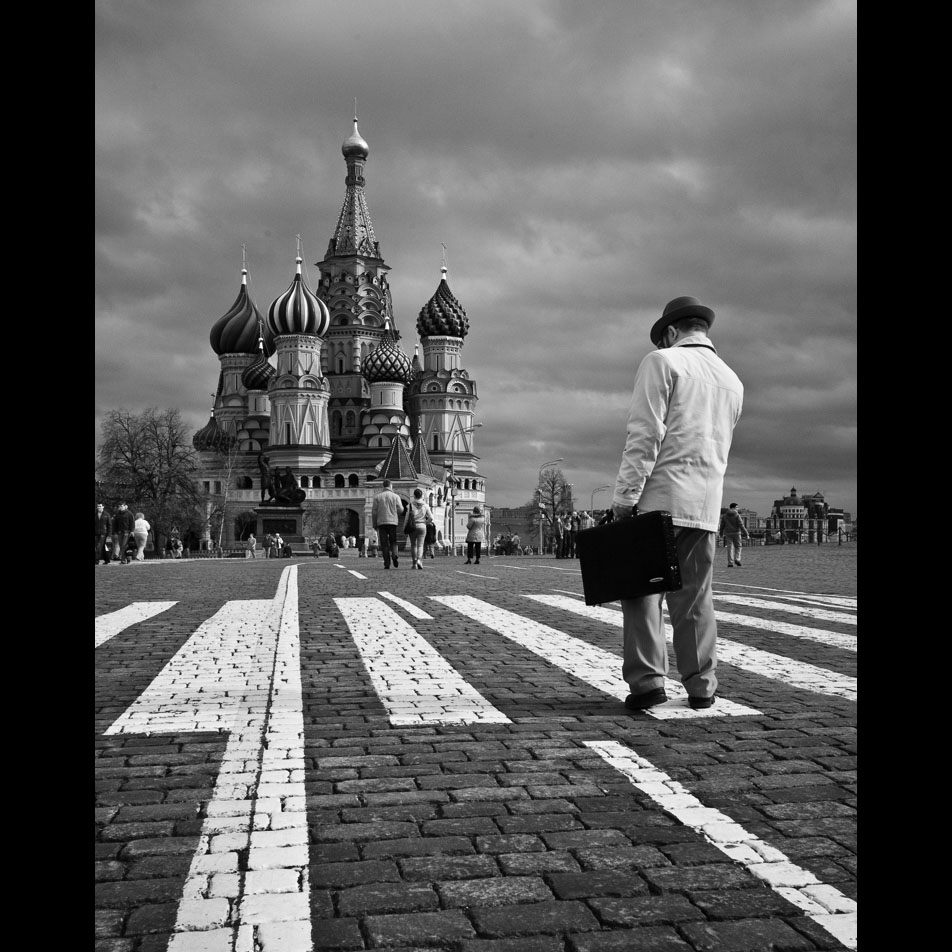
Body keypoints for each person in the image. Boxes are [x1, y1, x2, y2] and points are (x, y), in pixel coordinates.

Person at [612, 296, 744, 712]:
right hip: (705, 507)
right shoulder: (733, 381)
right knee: (695, 598)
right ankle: (702, 685)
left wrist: (625, 498)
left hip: (659, 501)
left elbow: (645, 435)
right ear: (703, 330)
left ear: (670, 332)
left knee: (642, 595)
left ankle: (649, 682)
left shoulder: (662, 362)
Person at [372, 478, 406, 569]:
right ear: (391, 486)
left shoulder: (377, 497)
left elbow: (374, 512)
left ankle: (387, 563)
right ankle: (395, 554)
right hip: (393, 522)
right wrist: (396, 512)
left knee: (384, 543)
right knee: (393, 541)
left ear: (383, 486)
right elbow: (401, 509)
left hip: (381, 522)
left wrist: (374, 524)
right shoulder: (396, 496)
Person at [404, 487, 434, 570]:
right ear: (422, 496)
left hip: (412, 526)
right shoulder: (425, 506)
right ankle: (419, 560)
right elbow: (431, 518)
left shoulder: (410, 505)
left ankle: (414, 564)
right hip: (422, 526)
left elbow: (407, 518)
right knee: (420, 545)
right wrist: (425, 522)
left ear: (414, 496)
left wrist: (404, 527)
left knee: (413, 545)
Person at [718, 503, 751, 568]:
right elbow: (741, 525)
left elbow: (722, 526)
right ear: (734, 508)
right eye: (737, 507)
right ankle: (737, 559)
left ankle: (730, 563)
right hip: (737, 533)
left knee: (730, 548)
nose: (738, 508)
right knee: (738, 546)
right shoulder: (737, 515)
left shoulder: (725, 516)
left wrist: (721, 534)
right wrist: (746, 534)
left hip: (728, 533)